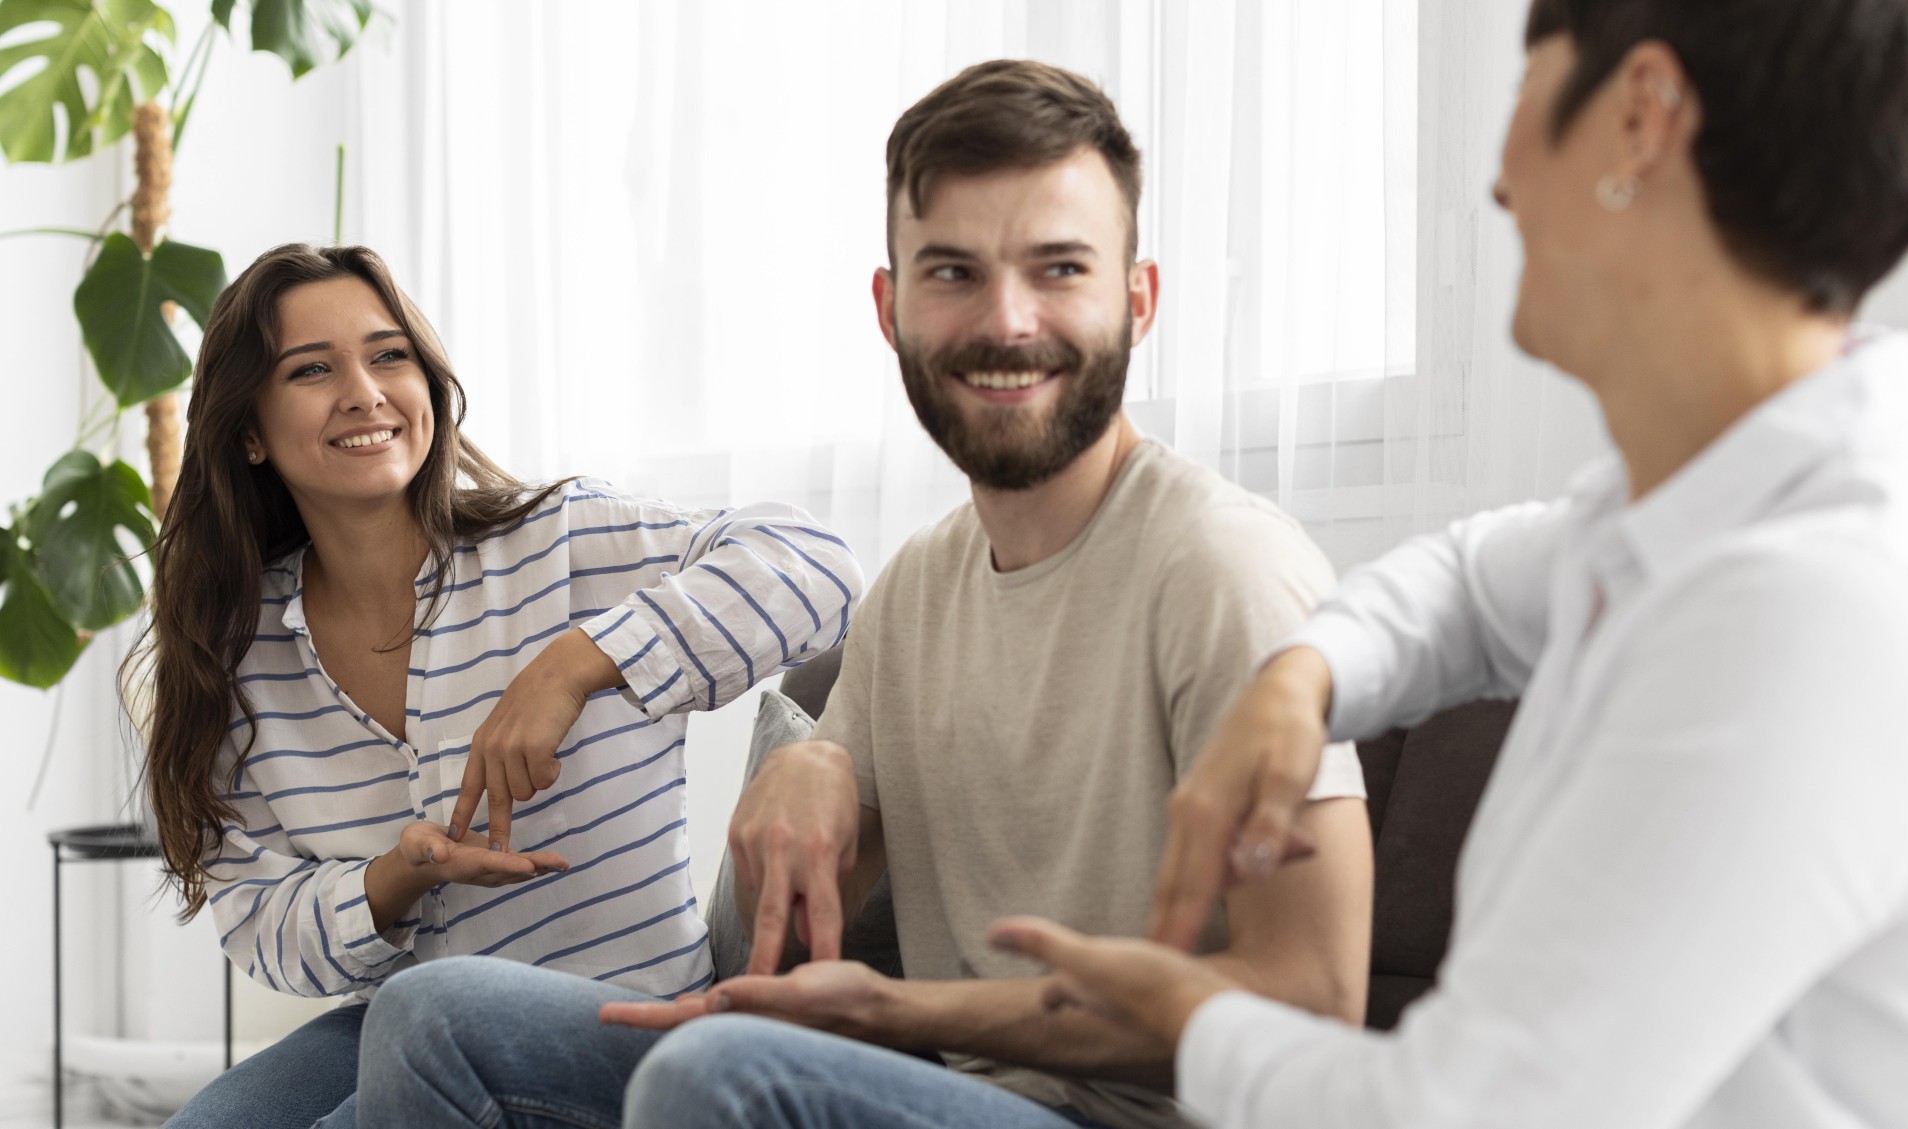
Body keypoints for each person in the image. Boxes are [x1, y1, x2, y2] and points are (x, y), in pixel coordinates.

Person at [348, 60, 1372, 1129]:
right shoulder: (920, 585)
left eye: (1060, 267)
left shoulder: (1224, 571)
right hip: (948, 1097)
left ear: (1139, 299)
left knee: (717, 1078)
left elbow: (1315, 1001)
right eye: (953, 273)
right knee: (433, 1016)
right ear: (891, 309)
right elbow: (802, 930)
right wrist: (811, 760)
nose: (1007, 320)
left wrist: (908, 1009)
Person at [988, 2, 1908, 1127]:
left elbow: (1457, 1114)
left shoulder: (1806, 604)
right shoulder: (1702, 493)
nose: (1499, 182)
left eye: (1530, 84)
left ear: (1638, 118)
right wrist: (1306, 677)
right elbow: (1473, 584)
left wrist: (1190, 1013)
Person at [132, 243, 861, 1129]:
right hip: (408, 1030)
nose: (363, 391)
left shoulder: (561, 542)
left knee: (397, 1051)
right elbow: (261, 923)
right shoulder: (243, 658)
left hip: (619, 1027)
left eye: (388, 354)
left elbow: (818, 566)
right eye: (312, 369)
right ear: (248, 428)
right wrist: (394, 877)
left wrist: (576, 662)